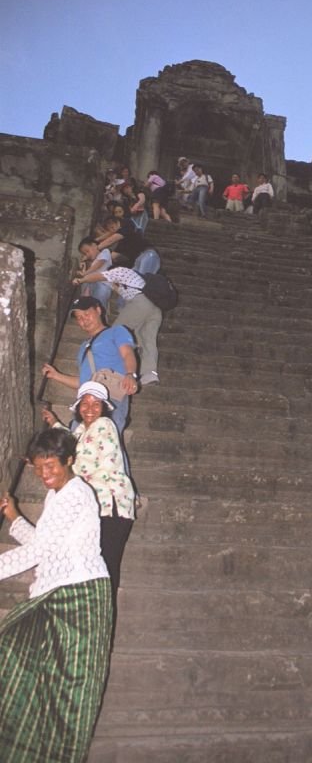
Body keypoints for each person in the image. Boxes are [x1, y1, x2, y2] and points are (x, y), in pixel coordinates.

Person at [0, 427, 112, 763]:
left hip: (81, 599)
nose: (44, 474)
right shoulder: (58, 495)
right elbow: (44, 545)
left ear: (70, 461)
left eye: (51, 466)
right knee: (14, 656)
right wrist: (14, 516)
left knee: (68, 693)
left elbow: (38, 551)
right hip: (54, 595)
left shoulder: (77, 495)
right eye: (38, 467)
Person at [43, 381, 136, 602]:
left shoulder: (104, 425)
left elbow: (83, 464)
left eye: (96, 404)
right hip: (96, 508)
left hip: (111, 506)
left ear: (104, 408)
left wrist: (50, 465)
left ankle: (103, 618)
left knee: (106, 567)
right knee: (96, 565)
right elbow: (73, 444)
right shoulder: (83, 429)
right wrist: (56, 423)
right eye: (85, 403)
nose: (90, 409)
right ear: (78, 407)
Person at [42, 295, 139, 434]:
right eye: (79, 318)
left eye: (86, 314)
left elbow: (128, 354)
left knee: (109, 439)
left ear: (98, 310)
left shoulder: (116, 331)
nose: (83, 320)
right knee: (79, 439)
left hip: (112, 396)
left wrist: (130, 374)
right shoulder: (83, 348)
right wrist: (56, 376)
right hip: (87, 399)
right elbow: (83, 382)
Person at [73, 268, 162, 387]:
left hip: (141, 303)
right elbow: (109, 284)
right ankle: (149, 374)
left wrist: (81, 280)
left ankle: (117, 372)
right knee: (147, 339)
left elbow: (99, 276)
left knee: (112, 335)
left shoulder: (120, 271)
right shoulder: (131, 281)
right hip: (155, 308)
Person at [95, 215, 161, 275]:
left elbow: (111, 239)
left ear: (113, 222)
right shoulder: (122, 241)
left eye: (112, 227)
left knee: (143, 279)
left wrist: (96, 248)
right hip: (137, 259)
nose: (112, 230)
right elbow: (114, 253)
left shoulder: (126, 224)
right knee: (134, 280)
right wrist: (95, 241)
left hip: (147, 254)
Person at [75, 235, 113, 311]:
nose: (87, 254)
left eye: (87, 251)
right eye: (85, 254)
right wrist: (83, 263)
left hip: (103, 283)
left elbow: (99, 265)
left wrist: (85, 273)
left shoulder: (105, 252)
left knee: (99, 304)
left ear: (94, 245)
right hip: (91, 283)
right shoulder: (92, 261)